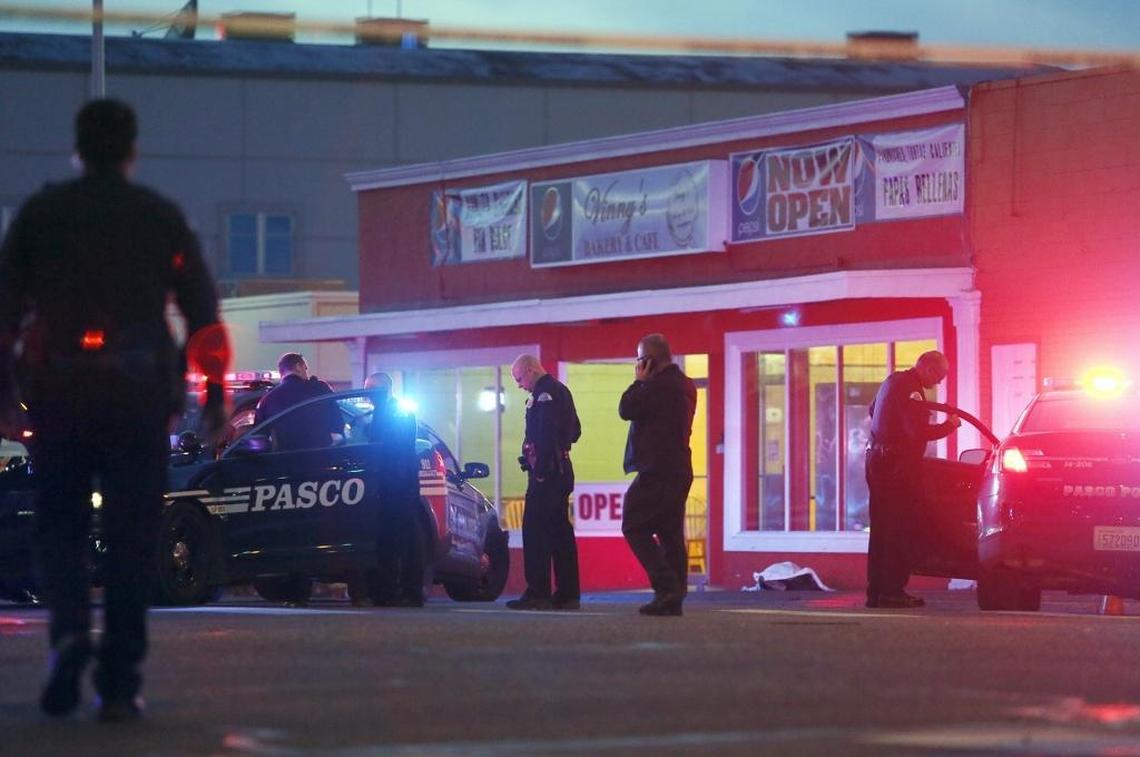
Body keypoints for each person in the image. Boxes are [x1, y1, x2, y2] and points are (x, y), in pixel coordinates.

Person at [0, 99, 227, 721]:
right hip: (137, 399)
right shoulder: (159, 218)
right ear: (132, 150)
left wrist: (4, 396)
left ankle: (70, 636)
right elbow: (204, 314)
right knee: (131, 538)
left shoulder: (42, 215)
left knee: (62, 530)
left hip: (60, 396)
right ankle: (121, 679)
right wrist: (211, 398)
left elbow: (5, 309)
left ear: (77, 147)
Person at [864, 350, 961, 609]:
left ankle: (876, 593)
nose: (939, 382)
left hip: (876, 461)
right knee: (899, 530)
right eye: (939, 376)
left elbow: (872, 410)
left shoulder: (891, 381)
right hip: (895, 467)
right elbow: (916, 432)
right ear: (928, 369)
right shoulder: (913, 390)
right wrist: (949, 426)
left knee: (881, 530)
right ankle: (893, 592)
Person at [618, 334, 697, 617]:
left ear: (649, 361)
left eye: (640, 360)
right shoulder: (685, 385)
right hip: (678, 468)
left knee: (633, 525)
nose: (638, 365)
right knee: (669, 531)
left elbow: (626, 409)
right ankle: (673, 597)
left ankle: (667, 587)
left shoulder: (656, 387)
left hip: (657, 468)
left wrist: (640, 381)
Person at [505, 355, 581, 611]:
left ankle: (538, 592)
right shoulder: (562, 391)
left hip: (548, 472)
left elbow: (545, 434)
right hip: (562, 469)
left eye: (519, 378)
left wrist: (541, 467)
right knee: (560, 532)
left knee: (535, 529)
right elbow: (576, 431)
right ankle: (568, 593)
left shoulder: (543, 394)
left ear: (529, 370)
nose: (518, 385)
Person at [363, 371, 424, 607]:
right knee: (389, 538)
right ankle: (387, 590)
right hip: (386, 483)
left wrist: (394, 481)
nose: (369, 394)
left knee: (403, 538)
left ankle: (408, 590)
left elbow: (397, 450)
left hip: (398, 484)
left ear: (385, 389)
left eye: (372, 389)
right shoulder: (377, 412)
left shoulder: (398, 412)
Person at [253, 352, 342, 451]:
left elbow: (259, 438)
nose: (307, 374)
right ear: (298, 366)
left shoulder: (267, 399)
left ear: (281, 372)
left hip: (286, 460)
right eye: (305, 368)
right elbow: (337, 420)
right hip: (321, 456)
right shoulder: (319, 388)